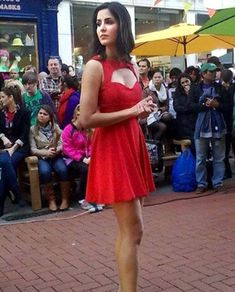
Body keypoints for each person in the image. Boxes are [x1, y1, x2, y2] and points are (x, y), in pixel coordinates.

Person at [79, 2, 155, 291]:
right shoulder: (94, 67)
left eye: (108, 22)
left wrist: (142, 110)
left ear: (122, 25)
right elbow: (86, 119)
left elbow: (132, 106)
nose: (101, 28)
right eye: (98, 23)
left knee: (135, 231)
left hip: (132, 142)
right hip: (112, 148)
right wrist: (133, 112)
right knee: (132, 228)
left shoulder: (132, 64)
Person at [194, 63, 229, 194]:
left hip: (219, 125)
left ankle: (218, 182)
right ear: (203, 74)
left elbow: (228, 106)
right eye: (211, 71)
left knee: (219, 156)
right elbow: (190, 107)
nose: (214, 73)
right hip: (201, 126)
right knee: (200, 157)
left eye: (215, 71)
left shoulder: (221, 88)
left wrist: (217, 105)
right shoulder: (195, 89)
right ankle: (201, 183)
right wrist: (204, 105)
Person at [62, 105, 103, 212]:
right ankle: (83, 197)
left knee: (98, 166)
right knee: (86, 169)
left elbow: (90, 144)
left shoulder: (87, 129)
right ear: (76, 116)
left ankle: (95, 195)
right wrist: (81, 158)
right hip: (71, 159)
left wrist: (90, 156)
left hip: (86, 157)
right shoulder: (68, 129)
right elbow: (67, 148)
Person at [29, 105, 70, 211]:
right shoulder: (33, 130)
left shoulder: (55, 127)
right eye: (40, 113)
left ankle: (65, 199)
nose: (41, 116)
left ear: (50, 117)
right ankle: (51, 200)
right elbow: (33, 149)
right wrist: (46, 152)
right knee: (45, 171)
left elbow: (63, 142)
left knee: (63, 169)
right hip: (42, 157)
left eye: (45, 114)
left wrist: (57, 150)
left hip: (56, 156)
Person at [0, 85, 30, 205]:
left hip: (20, 147)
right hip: (5, 147)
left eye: (2, 97)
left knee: (6, 164)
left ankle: (2, 203)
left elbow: (24, 134)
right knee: (5, 163)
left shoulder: (24, 112)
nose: (0, 100)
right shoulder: (1, 113)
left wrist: (13, 148)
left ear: (11, 97)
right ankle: (16, 192)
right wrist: (3, 137)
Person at [173, 73, 201, 155]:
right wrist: (189, 107)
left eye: (187, 81)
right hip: (183, 124)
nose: (185, 84)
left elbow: (199, 106)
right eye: (183, 83)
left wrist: (190, 95)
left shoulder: (196, 91)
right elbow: (177, 108)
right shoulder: (177, 93)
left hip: (196, 122)